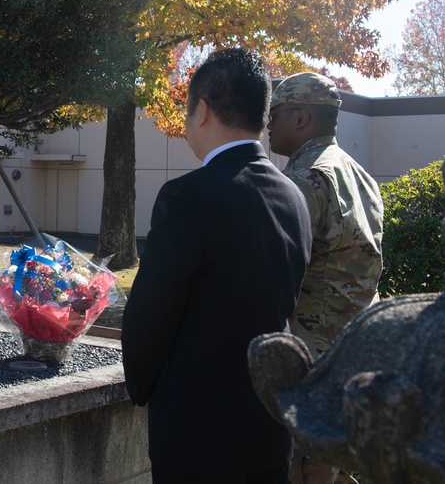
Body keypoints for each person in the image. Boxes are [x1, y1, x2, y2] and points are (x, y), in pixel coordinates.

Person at [122, 47, 311, 484]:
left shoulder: (188, 197)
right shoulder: (293, 196)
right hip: (270, 422)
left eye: (188, 113)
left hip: (198, 433)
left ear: (202, 111)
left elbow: (151, 313)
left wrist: (140, 388)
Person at [266, 72, 384, 484]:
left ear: (300, 118)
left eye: (275, 113)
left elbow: (275, 272)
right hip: (352, 349)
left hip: (309, 357)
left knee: (305, 466)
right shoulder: (359, 175)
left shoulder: (305, 179)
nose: (268, 123)